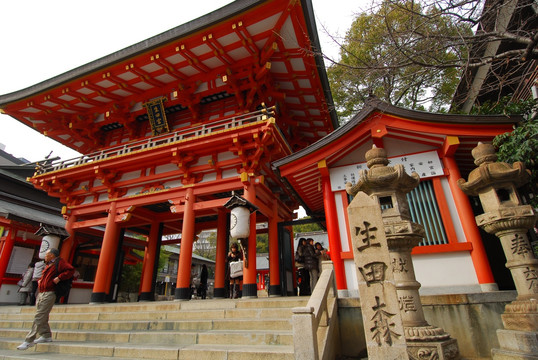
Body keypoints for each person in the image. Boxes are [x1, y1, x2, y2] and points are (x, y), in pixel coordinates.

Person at [17, 248, 74, 351]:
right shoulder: (48, 264)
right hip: (42, 292)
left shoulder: (60, 262)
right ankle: (46, 335)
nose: (45, 256)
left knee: (39, 315)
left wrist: (59, 277)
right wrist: (40, 281)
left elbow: (70, 270)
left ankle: (29, 340)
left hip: (50, 292)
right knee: (42, 314)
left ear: (52, 255)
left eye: (47, 254)